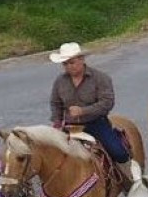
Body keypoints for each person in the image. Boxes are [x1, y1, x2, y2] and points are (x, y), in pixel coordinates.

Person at [48, 43, 133, 179]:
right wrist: (57, 122)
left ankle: (132, 182)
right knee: (51, 157)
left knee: (118, 152)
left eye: (72, 62)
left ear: (81, 59)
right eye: (65, 64)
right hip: (72, 127)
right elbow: (55, 103)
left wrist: (83, 111)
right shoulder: (60, 81)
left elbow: (107, 103)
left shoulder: (100, 78)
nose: (69, 66)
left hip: (96, 124)